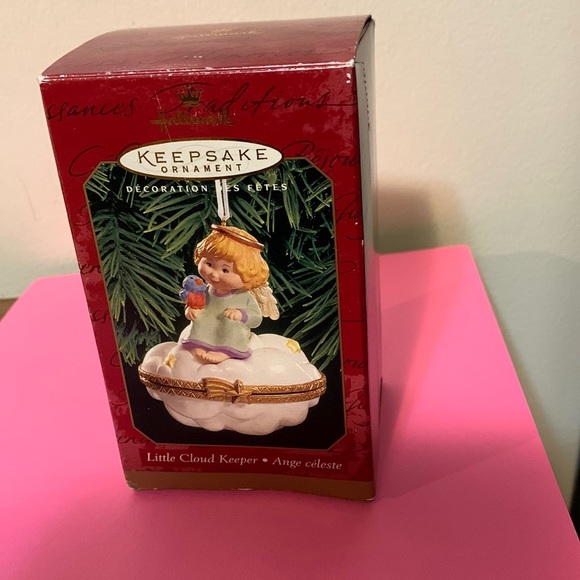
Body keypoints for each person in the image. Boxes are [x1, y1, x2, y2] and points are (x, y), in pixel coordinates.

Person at [181, 224, 279, 364]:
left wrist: (241, 314)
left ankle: (226, 351)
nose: (214, 274)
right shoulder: (206, 290)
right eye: (209, 264)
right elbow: (197, 303)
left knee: (231, 324)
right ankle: (199, 343)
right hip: (208, 324)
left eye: (225, 270)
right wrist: (191, 310)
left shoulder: (244, 297)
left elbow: (256, 318)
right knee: (200, 320)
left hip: (229, 327)